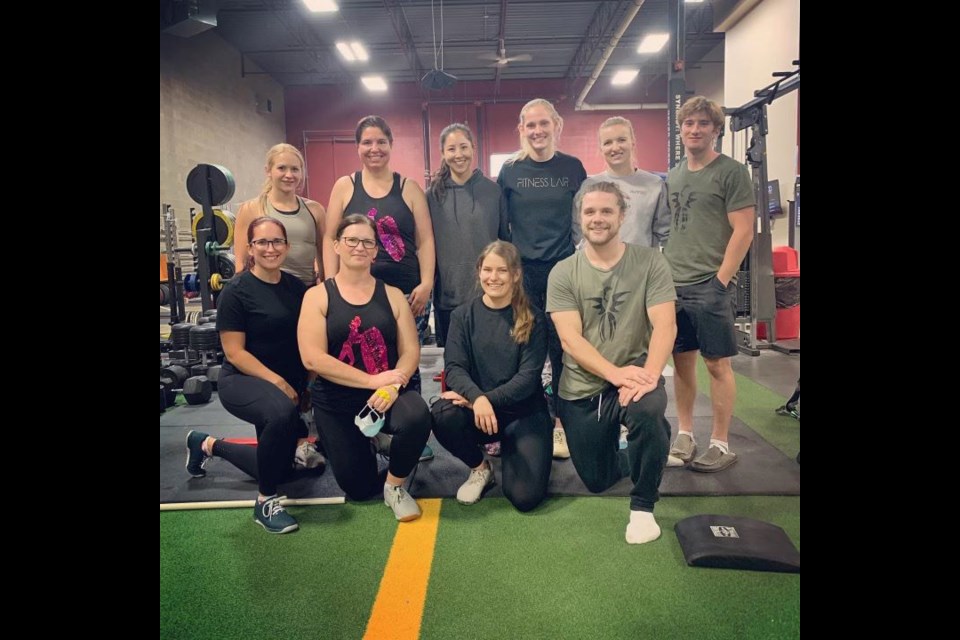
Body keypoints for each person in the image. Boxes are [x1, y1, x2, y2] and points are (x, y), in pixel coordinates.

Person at [547, 181, 677, 544]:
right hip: (584, 385)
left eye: (606, 211)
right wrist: (614, 374)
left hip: (637, 373)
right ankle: (652, 447)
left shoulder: (651, 261)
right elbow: (570, 340)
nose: (597, 218)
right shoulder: (563, 272)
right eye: (590, 212)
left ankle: (643, 506)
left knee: (647, 410)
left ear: (622, 215)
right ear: (580, 217)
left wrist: (648, 376)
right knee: (597, 479)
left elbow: (665, 324)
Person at [185, 217, 323, 534]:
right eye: (262, 242)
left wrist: (308, 384)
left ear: (287, 246)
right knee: (281, 414)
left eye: (276, 241)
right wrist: (281, 384)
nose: (270, 248)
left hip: (287, 387)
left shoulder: (296, 289)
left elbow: (306, 339)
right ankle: (264, 503)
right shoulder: (236, 291)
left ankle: (206, 444)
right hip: (243, 381)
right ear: (250, 248)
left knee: (282, 468)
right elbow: (235, 352)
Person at [299, 214, 432, 522]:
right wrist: (371, 380)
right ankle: (372, 441)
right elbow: (312, 358)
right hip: (337, 400)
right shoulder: (317, 296)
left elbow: (411, 350)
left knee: (416, 417)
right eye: (351, 240)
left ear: (375, 251)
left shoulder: (393, 295)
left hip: (387, 393)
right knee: (358, 488)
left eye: (367, 242)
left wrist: (392, 386)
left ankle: (395, 487)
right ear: (336, 246)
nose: (359, 247)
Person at [663, 96, 755, 473]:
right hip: (674, 283)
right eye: (689, 124)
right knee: (682, 365)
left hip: (710, 284)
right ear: (681, 129)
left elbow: (744, 230)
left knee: (716, 365)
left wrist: (721, 280)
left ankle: (720, 442)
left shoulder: (731, 172)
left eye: (703, 124)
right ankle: (685, 433)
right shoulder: (674, 174)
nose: (695, 130)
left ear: (716, 129)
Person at [431, 241, 552, 511]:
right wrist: (478, 400)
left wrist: (483, 400)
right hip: (479, 414)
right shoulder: (463, 316)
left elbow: (528, 378)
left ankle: (517, 449)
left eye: (502, 271)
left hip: (523, 412)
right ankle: (480, 468)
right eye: (487, 269)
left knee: (524, 498)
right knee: (443, 414)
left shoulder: (534, 318)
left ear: (516, 275)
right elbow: (454, 367)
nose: (493, 277)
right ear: (479, 272)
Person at [497, 98, 587, 460]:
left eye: (543, 124)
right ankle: (521, 419)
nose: (537, 131)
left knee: (563, 349)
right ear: (521, 129)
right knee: (522, 349)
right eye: (530, 125)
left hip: (563, 271)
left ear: (556, 125)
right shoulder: (510, 171)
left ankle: (562, 424)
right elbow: (502, 225)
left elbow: (583, 218)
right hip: (523, 273)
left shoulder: (573, 168)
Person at [323, 116, 436, 345]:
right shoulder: (344, 187)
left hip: (407, 293)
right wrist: (331, 283)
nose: (374, 149)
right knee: (365, 359)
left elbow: (425, 241)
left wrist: (426, 284)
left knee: (405, 359)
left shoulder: (410, 188)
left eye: (381, 142)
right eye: (367, 142)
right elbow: (329, 238)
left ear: (391, 144)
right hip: (355, 292)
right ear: (358, 147)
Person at [427, 123, 509, 348]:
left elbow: (505, 244)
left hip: (489, 295)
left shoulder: (493, 192)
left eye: (463, 147)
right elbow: (426, 246)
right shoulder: (432, 196)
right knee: (454, 365)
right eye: (451, 149)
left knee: (490, 360)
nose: (458, 154)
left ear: (473, 148)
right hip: (448, 298)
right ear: (443, 153)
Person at [234, 143, 325, 286]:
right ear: (268, 171)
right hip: (267, 292)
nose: (289, 175)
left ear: (301, 173)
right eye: (282, 168)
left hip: (306, 291)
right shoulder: (251, 209)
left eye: (295, 169)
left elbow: (324, 255)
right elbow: (241, 262)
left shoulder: (315, 210)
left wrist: (327, 291)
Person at [573, 117, 670, 249]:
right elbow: (578, 231)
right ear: (601, 149)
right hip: (598, 267)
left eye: (621, 140)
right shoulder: (589, 186)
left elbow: (664, 233)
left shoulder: (654, 184)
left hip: (640, 266)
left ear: (633, 142)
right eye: (608, 142)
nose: (615, 147)